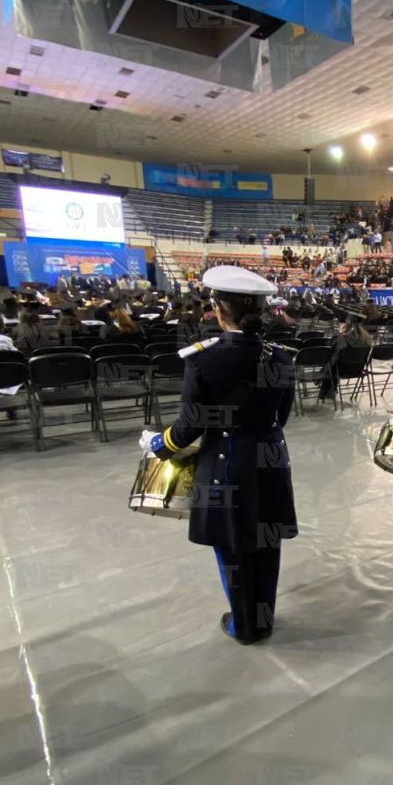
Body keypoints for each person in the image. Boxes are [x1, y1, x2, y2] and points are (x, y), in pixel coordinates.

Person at [141, 266, 296, 644]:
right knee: (265, 543)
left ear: (217, 309)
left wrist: (157, 444)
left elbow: (189, 427)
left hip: (227, 463)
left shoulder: (203, 360)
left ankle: (245, 626)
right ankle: (264, 617)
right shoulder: (281, 357)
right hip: (270, 460)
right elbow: (282, 417)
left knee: (234, 547)